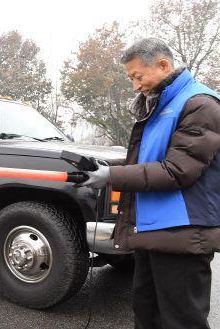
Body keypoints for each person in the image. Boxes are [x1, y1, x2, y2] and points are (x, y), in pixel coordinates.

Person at [82, 38, 220, 328]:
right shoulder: (157, 107)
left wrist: (112, 177)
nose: (135, 85)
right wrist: (104, 167)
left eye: (138, 76)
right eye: (131, 78)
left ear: (163, 65)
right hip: (152, 228)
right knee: (146, 312)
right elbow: (146, 162)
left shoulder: (200, 104)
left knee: (181, 320)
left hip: (182, 233)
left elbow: (176, 171)